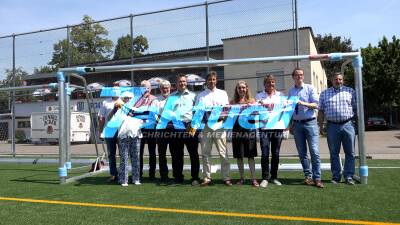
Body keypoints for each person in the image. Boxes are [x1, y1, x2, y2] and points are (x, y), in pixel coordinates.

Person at [318, 72, 356, 185]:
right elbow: (320, 111)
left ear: (342, 80)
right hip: (332, 126)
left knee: (350, 152)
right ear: (331, 80)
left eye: (340, 79)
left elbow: (356, 108)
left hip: (348, 125)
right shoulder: (324, 93)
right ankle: (336, 176)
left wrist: (356, 124)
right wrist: (320, 126)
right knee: (334, 153)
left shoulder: (350, 91)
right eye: (336, 79)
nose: (338, 81)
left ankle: (348, 176)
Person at [288, 68, 324, 188]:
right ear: (293, 77)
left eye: (301, 75)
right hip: (297, 124)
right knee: (302, 153)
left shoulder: (310, 88)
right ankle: (308, 176)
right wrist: (290, 124)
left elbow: (316, 104)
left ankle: (317, 178)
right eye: (297, 75)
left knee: (314, 151)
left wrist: (302, 103)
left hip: (310, 123)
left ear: (303, 76)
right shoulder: (291, 91)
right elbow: (289, 110)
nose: (299, 77)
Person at [196, 71, 232, 186]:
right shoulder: (200, 95)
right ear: (206, 81)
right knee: (206, 153)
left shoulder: (223, 93)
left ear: (216, 81)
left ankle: (226, 177)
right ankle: (207, 178)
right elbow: (197, 112)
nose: (212, 81)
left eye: (213, 79)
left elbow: (226, 109)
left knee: (223, 152)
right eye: (209, 79)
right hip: (206, 127)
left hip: (219, 126)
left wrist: (222, 118)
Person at [168, 74, 200, 185]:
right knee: (176, 154)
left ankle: (195, 177)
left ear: (187, 83)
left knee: (193, 153)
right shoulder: (171, 97)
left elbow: (197, 113)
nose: (182, 83)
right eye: (180, 81)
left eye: (184, 81)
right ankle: (178, 178)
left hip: (189, 125)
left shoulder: (194, 96)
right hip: (176, 127)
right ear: (176, 83)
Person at [255, 75, 284, 187]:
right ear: (264, 84)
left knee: (276, 154)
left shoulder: (281, 95)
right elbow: (256, 110)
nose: (270, 84)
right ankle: (265, 178)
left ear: (274, 83)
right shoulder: (259, 96)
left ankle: (274, 177)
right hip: (264, 129)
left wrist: (285, 124)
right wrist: (260, 105)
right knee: (265, 154)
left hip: (277, 127)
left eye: (272, 82)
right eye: (268, 82)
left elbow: (284, 110)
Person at [231, 80, 259, 187]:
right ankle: (242, 178)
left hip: (250, 131)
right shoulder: (232, 102)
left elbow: (256, 115)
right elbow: (229, 116)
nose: (241, 89)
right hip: (237, 131)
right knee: (239, 156)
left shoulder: (252, 101)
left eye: (243, 87)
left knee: (250, 156)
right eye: (239, 88)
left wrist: (253, 108)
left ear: (246, 89)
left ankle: (254, 179)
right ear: (237, 90)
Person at [114, 91, 143, 186]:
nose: (128, 100)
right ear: (122, 99)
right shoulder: (118, 109)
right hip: (123, 136)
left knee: (136, 158)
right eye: (126, 98)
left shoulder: (137, 110)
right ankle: (123, 180)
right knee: (124, 158)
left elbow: (142, 122)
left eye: (130, 98)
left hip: (135, 136)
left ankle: (136, 179)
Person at [135, 80, 157, 180]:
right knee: (139, 152)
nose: (145, 90)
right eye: (143, 88)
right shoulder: (135, 100)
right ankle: (138, 173)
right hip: (139, 129)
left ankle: (152, 174)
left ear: (150, 88)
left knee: (152, 152)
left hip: (151, 129)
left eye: (147, 88)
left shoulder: (155, 99)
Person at [98, 87, 120, 183]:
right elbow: (101, 118)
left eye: (117, 89)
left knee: (124, 154)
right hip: (109, 131)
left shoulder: (124, 101)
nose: (115, 91)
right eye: (113, 90)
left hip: (121, 131)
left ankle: (123, 173)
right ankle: (113, 174)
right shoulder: (105, 102)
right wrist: (100, 132)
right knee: (111, 154)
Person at [152, 80, 172, 183]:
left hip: (173, 129)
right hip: (161, 130)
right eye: (163, 88)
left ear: (170, 88)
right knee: (162, 154)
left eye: (167, 87)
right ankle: (164, 176)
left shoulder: (174, 99)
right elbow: (153, 115)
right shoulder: (156, 101)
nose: (165, 89)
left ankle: (177, 175)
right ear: (160, 89)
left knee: (175, 153)